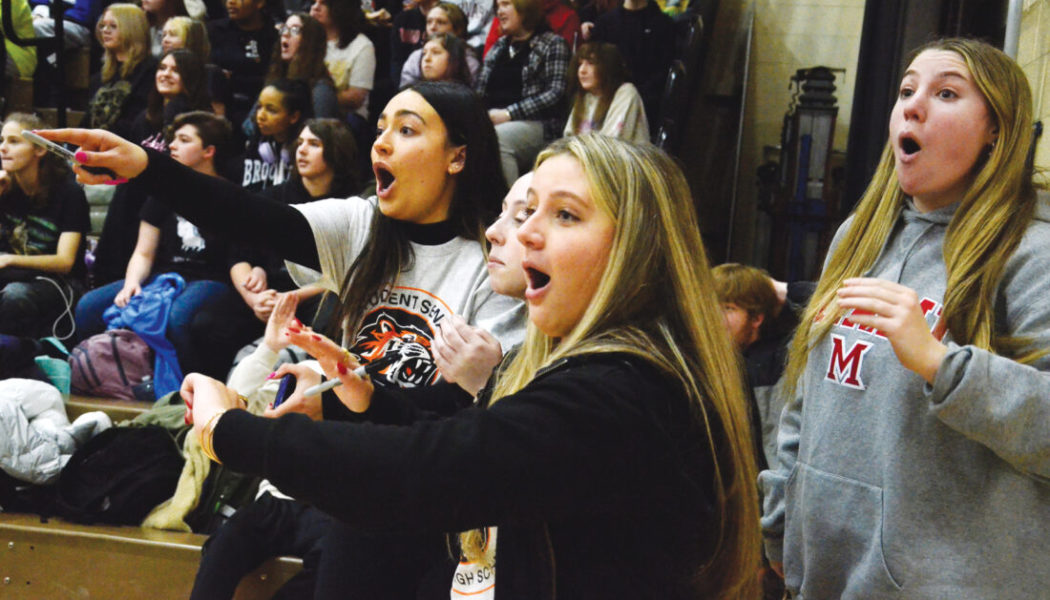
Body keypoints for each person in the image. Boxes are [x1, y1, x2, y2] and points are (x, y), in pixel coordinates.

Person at [163, 133, 762, 598]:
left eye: (566, 215)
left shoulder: (621, 389)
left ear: (637, 250)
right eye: (526, 212)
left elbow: (431, 471)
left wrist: (233, 431)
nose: (523, 233)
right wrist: (365, 396)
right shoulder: (606, 371)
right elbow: (469, 441)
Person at [756, 38, 1050, 597]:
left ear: (998, 130)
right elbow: (806, 397)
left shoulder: (1031, 253)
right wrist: (779, 519)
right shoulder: (859, 236)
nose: (912, 106)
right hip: (821, 578)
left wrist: (944, 366)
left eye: (945, 93)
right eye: (907, 90)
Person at [74, 111, 246, 379]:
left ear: (209, 151)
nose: (172, 146)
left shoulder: (230, 196)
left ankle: (188, 388)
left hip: (210, 280)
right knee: (89, 305)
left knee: (177, 318)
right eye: (173, 139)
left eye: (184, 140)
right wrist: (132, 282)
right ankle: (88, 374)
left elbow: (237, 255)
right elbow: (143, 251)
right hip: (164, 276)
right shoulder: (165, 190)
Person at [230, 118, 361, 327]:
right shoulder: (273, 197)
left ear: (336, 152)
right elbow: (238, 255)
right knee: (208, 320)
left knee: (328, 313)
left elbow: (346, 274)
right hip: (268, 293)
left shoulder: (352, 206)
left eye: (314, 144)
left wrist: (289, 298)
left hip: (316, 295)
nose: (302, 150)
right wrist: (254, 299)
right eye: (300, 143)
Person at [0, 114, 89, 340]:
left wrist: (9, 259)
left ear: (39, 150)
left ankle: (23, 358)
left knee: (14, 296)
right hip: (15, 275)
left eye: (14, 141)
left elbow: (65, 262)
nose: (3, 148)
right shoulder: (6, 189)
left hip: (60, 283)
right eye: (1, 141)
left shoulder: (68, 193)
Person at [476, 0, 569, 184]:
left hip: (539, 124)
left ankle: (511, 206)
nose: (500, 11)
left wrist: (508, 114)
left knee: (499, 138)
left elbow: (555, 93)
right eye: (498, 6)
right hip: (493, 119)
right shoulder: (499, 47)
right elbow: (480, 91)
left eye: (506, 4)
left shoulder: (553, 44)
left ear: (525, 8)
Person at [590, 0, 674, 134]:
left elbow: (662, 74)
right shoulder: (604, 23)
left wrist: (631, 97)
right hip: (603, 101)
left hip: (644, 107)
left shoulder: (664, 25)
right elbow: (594, 67)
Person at [82, 3, 157, 140]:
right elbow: (88, 120)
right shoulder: (100, 76)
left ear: (132, 29)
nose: (105, 30)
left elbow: (136, 120)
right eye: (103, 25)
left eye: (113, 26)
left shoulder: (150, 70)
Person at [207, 0, 279, 139]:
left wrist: (233, 79)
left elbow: (272, 77)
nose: (231, 2)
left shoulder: (272, 37)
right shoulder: (214, 31)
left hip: (255, 109)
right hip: (215, 107)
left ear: (259, 3)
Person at [262, 12, 340, 125]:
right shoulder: (276, 76)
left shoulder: (321, 91)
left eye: (295, 30)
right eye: (284, 29)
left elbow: (323, 135)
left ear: (310, 42)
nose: (285, 34)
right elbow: (250, 125)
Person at [563, 41, 648, 143]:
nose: (582, 70)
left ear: (607, 67)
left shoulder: (626, 93)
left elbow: (612, 143)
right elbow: (568, 137)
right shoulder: (585, 96)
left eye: (590, 64)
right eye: (580, 64)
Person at [132, 49, 213, 151]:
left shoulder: (203, 122)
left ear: (192, 78)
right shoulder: (145, 118)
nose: (166, 74)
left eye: (176, 70)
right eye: (162, 68)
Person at [310, 0, 375, 126]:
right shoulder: (307, 40)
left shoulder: (362, 46)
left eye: (324, 4)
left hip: (346, 118)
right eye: (314, 2)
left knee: (322, 92)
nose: (315, 8)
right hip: (306, 112)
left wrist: (316, 99)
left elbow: (355, 98)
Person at [242, 78, 310, 192]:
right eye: (259, 107)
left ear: (294, 117)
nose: (260, 116)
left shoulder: (305, 156)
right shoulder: (254, 147)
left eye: (271, 110)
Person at [160, 15, 230, 116]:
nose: (165, 40)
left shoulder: (210, 74)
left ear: (191, 39)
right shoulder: (161, 71)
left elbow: (217, 121)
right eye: (164, 35)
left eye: (173, 35)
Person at [399, 3, 478, 88]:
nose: (432, 27)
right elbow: (405, 92)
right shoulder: (416, 58)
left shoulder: (469, 62)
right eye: (429, 22)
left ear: (458, 29)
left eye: (440, 22)